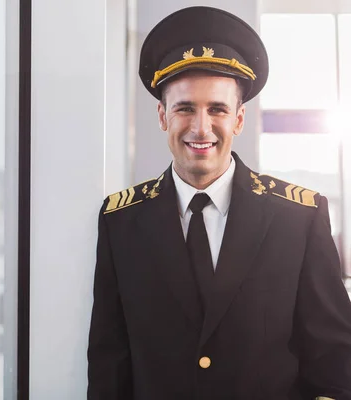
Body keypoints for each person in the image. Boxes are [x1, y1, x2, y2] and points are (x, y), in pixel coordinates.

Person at [87, 6, 351, 400]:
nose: (200, 127)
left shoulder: (299, 217)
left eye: (217, 110)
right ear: (162, 115)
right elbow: (110, 365)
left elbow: (334, 362)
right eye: (185, 108)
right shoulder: (121, 220)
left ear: (239, 120)